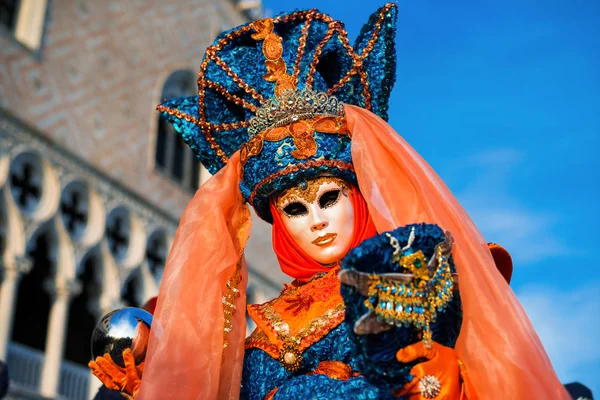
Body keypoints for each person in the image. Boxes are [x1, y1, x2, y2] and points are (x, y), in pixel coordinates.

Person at [89, 4, 569, 399]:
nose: (316, 220)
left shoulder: (408, 287)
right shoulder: (245, 332)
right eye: (295, 209)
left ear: (356, 196)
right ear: (277, 222)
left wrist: (454, 376)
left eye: (328, 198)